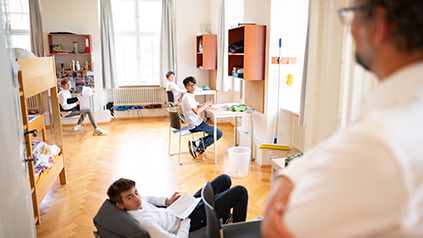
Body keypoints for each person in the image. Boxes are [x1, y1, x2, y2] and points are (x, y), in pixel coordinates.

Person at [262, 0, 423, 237]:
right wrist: (287, 176)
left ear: (379, 26)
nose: (350, 29)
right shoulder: (399, 115)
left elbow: (285, 225)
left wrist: (279, 192)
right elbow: (336, 144)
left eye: (351, 15)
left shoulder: (378, 142)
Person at [107, 174, 248, 238]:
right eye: (130, 197)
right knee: (240, 191)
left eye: (136, 192)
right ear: (120, 205)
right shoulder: (145, 222)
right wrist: (185, 221)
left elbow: (148, 198)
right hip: (189, 219)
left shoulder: (136, 204)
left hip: (177, 209)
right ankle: (239, 231)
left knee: (225, 179)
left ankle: (226, 217)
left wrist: (167, 201)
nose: (137, 198)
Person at [181, 76, 222, 158]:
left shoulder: (189, 96)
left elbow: (196, 106)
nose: (193, 87)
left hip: (197, 123)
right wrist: (206, 105)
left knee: (214, 133)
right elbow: (196, 111)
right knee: (218, 133)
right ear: (185, 87)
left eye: (194, 85)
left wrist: (205, 104)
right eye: (190, 85)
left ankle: (198, 143)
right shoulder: (187, 98)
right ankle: (199, 145)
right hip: (196, 125)